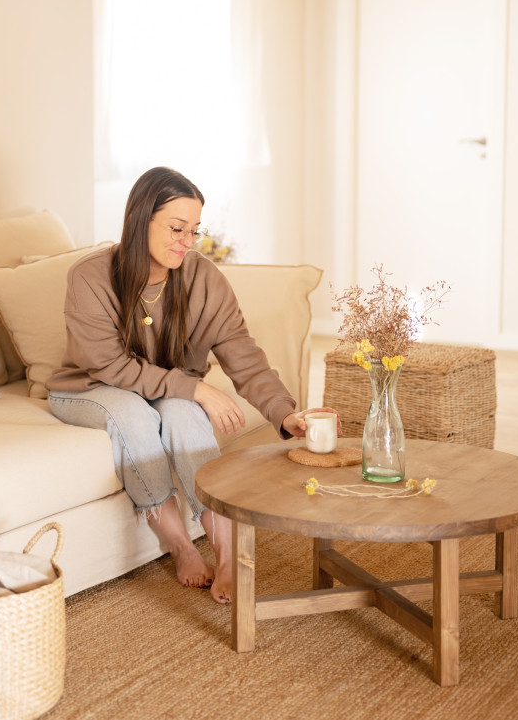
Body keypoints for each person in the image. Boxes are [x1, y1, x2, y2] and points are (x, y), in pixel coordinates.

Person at [46, 166, 335, 605]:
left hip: (163, 391)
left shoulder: (203, 278)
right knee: (134, 412)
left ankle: (224, 553)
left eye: (195, 231)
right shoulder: (89, 276)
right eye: (177, 228)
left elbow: (242, 352)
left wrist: (284, 412)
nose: (187, 240)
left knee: (181, 413)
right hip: (88, 388)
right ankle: (179, 545)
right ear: (141, 219)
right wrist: (196, 387)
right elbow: (107, 365)